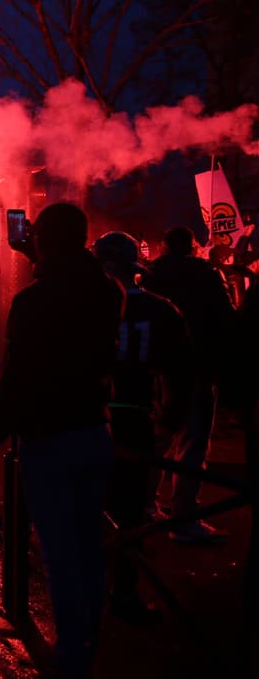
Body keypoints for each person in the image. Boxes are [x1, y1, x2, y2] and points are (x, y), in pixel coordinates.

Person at [0, 203, 124, 679]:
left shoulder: (35, 300)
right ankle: (85, 664)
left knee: (63, 562)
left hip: (49, 437)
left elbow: (18, 376)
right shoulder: (108, 291)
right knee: (89, 556)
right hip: (93, 429)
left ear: (46, 241)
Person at [92, 232, 192, 622]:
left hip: (91, 417)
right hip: (136, 416)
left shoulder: (84, 306)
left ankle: (86, 592)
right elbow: (182, 371)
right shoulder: (162, 310)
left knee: (89, 508)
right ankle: (125, 591)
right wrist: (171, 417)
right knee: (131, 511)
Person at [143, 226, 235, 542]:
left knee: (158, 440)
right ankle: (184, 515)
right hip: (196, 368)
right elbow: (226, 318)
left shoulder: (151, 274)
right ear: (193, 246)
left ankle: (146, 506)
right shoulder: (206, 274)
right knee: (192, 442)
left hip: (158, 370)